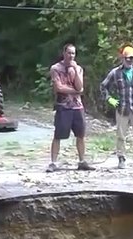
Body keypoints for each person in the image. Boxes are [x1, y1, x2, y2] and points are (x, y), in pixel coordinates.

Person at [48, 43, 91, 172]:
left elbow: (80, 87)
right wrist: (76, 91)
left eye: (73, 53)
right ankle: (53, 162)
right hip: (63, 106)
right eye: (69, 53)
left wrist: (76, 71)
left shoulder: (78, 68)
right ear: (64, 53)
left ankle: (82, 161)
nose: (71, 56)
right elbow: (58, 88)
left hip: (77, 107)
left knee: (81, 134)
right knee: (58, 135)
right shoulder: (56, 68)